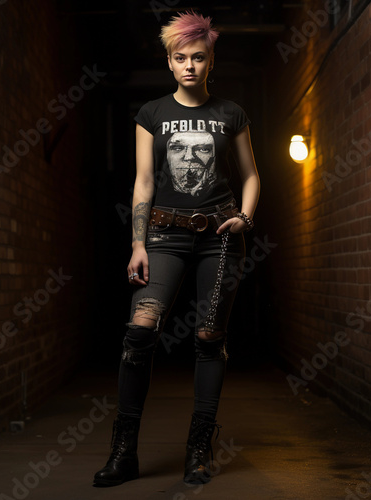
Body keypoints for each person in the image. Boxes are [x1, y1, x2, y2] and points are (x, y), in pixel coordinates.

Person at [93, 10, 260, 487]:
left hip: (220, 238)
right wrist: (137, 244)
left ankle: (199, 449)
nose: (189, 65)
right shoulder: (151, 114)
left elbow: (251, 175)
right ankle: (123, 452)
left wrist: (245, 218)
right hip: (164, 235)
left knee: (210, 339)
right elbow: (144, 182)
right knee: (139, 330)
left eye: (199, 58)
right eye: (180, 57)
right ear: (169, 62)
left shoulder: (231, 113)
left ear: (211, 61)